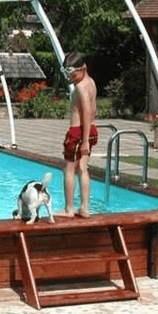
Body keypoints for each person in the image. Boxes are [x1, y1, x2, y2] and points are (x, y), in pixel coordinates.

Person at [60, 52, 98, 218]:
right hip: (90, 131)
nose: (71, 78)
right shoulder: (90, 82)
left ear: (83, 68)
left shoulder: (81, 87)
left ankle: (69, 209)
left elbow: (87, 112)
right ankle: (84, 208)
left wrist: (83, 142)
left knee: (68, 170)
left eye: (74, 74)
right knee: (83, 169)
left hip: (78, 133)